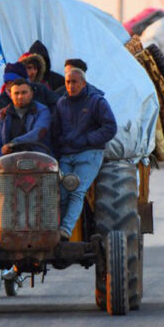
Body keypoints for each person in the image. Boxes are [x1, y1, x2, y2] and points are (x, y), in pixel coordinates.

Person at [51, 67, 117, 241]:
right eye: (68, 82)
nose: (71, 86)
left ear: (83, 83)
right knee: (62, 193)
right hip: (67, 155)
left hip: (89, 153)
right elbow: (56, 130)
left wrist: (88, 139)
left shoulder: (97, 102)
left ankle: (65, 230)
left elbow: (110, 128)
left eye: (74, 82)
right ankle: (57, 233)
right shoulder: (61, 103)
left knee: (77, 191)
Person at [0, 78, 52, 159]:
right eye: (16, 93)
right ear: (11, 95)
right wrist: (0, 160)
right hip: (11, 161)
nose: (20, 97)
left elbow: (38, 133)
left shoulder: (42, 110)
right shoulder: (3, 113)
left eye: (24, 93)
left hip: (39, 159)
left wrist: (13, 143)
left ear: (31, 94)